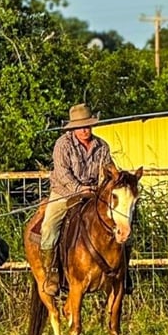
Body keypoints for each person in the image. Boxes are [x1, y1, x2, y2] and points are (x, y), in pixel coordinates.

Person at [39, 103, 133, 296]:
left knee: (124, 223)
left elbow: (108, 171)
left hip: (95, 193)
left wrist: (104, 186)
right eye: (81, 126)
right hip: (64, 193)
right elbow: (63, 173)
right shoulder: (62, 145)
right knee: (49, 226)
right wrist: (79, 188)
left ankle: (124, 271)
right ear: (72, 128)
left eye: (88, 125)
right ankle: (52, 272)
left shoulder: (102, 146)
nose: (85, 130)